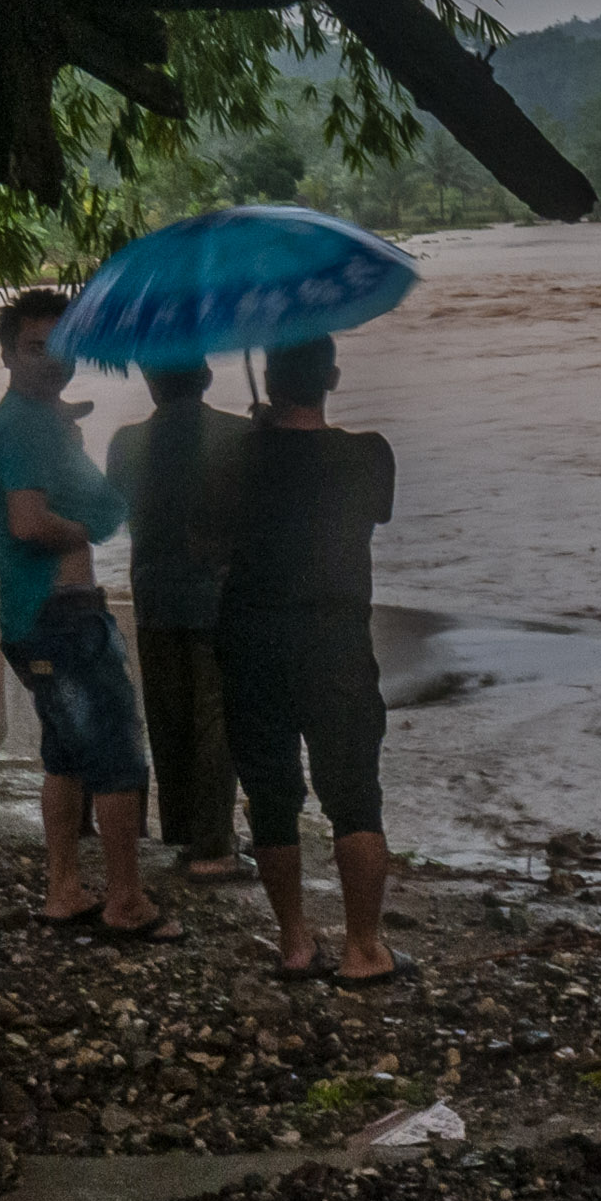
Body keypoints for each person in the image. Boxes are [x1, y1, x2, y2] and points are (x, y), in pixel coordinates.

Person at [0, 288, 173, 939]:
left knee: (64, 757)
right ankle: (125, 900)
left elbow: (86, 502)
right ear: (7, 351)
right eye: (35, 348)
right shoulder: (29, 424)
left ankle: (64, 886)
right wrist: (80, 531)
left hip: (34, 618)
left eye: (63, 347)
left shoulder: (31, 421)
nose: (51, 361)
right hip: (61, 618)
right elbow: (28, 522)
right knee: (118, 756)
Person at [217, 334, 402, 983]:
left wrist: (256, 441)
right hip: (335, 638)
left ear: (268, 382)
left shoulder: (235, 457)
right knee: (355, 795)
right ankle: (362, 947)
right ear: (332, 376)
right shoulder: (368, 454)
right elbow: (372, 512)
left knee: (270, 792)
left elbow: (203, 537)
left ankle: (294, 942)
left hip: (250, 636)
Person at [106, 359, 252, 879]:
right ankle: (213, 845)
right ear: (206, 376)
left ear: (151, 380)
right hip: (220, 596)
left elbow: (117, 511)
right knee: (217, 719)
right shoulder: (241, 433)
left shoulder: (126, 443)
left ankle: (187, 830)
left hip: (155, 594)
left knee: (170, 716)